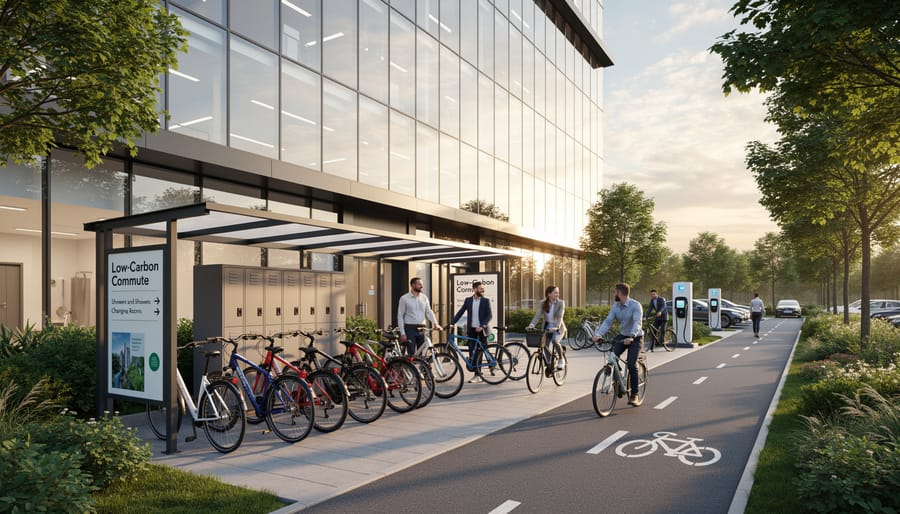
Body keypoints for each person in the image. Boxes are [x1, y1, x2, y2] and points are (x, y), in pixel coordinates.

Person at [592, 282, 644, 405]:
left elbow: (638, 322)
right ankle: (619, 381)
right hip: (623, 336)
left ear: (620, 293)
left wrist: (631, 336)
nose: (614, 294)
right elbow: (608, 321)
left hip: (635, 337)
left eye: (615, 292)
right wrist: (599, 334)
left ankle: (635, 394)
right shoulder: (616, 306)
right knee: (612, 358)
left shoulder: (636, 305)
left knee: (631, 364)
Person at [451, 281, 493, 383]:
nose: (482, 290)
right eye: (480, 288)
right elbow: (460, 312)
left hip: (482, 329)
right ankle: (480, 371)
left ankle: (482, 371)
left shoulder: (485, 301)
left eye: (483, 288)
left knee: (482, 350)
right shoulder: (468, 300)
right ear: (474, 289)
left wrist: (482, 325)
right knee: (472, 352)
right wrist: (452, 323)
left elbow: (489, 316)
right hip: (472, 329)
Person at [526, 285, 567, 372]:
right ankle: (549, 363)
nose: (557, 294)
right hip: (547, 327)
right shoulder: (543, 303)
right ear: (549, 294)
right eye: (555, 292)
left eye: (558, 292)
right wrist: (531, 325)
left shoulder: (561, 303)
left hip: (558, 328)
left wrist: (556, 327)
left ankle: (561, 359)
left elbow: (560, 317)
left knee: (555, 341)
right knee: (543, 344)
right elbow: (537, 315)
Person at [397, 277, 442, 355]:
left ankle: (421, 367)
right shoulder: (404, 298)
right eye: (419, 284)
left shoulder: (424, 298)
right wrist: (403, 333)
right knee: (411, 353)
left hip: (422, 329)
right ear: (413, 285)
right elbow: (400, 316)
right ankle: (410, 367)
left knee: (422, 353)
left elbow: (429, 311)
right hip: (410, 329)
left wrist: (435, 323)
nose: (422, 286)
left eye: (422, 284)